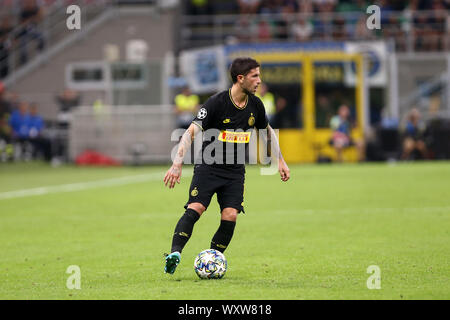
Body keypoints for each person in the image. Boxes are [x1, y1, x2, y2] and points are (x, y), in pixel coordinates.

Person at [162, 57, 290, 274]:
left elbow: (267, 132)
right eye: (255, 76)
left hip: (234, 172)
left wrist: (280, 159)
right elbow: (191, 132)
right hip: (209, 167)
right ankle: (175, 253)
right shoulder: (216, 103)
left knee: (230, 215)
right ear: (240, 79)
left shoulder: (255, 105)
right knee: (196, 208)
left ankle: (212, 262)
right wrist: (177, 162)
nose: (259, 81)